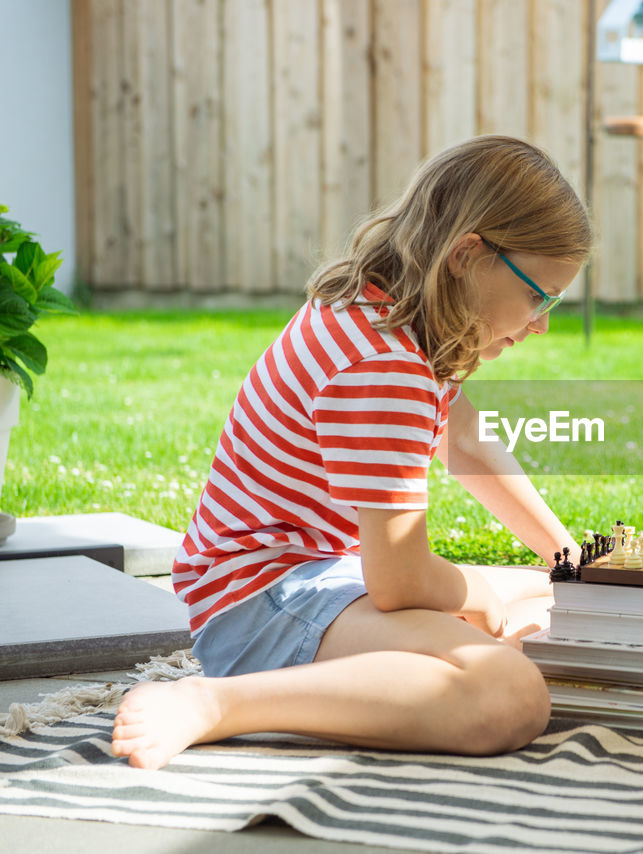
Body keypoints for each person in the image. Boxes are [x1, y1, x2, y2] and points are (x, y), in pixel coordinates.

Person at [111, 136, 592, 770]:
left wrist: (567, 559)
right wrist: (478, 594)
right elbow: (399, 583)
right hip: (259, 602)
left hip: (306, 578)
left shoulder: (387, 314)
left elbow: (467, 445)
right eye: (539, 296)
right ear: (469, 254)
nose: (542, 324)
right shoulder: (383, 364)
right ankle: (216, 704)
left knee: (551, 599)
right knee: (506, 693)